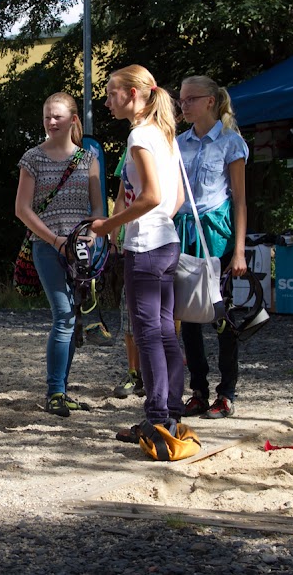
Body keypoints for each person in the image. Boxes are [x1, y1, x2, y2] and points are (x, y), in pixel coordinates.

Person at [89, 65, 184, 442]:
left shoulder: (140, 136)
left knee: (148, 334)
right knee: (164, 331)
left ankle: (158, 417)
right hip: (167, 241)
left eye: (112, 92)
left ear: (133, 95)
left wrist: (111, 226)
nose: (108, 99)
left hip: (145, 248)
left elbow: (152, 196)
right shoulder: (165, 134)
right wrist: (154, 220)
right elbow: (172, 199)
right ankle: (170, 412)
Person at [15, 92, 103, 417]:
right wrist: (55, 240)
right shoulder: (32, 159)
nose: (51, 122)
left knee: (73, 318)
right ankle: (55, 391)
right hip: (46, 247)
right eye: (47, 117)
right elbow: (21, 209)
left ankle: (61, 391)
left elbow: (97, 209)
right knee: (64, 315)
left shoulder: (88, 159)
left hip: (79, 251)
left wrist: (91, 237)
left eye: (58, 117)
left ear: (73, 120)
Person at [175, 75, 249, 420]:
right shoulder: (178, 143)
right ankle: (198, 390)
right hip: (185, 231)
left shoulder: (231, 142)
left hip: (216, 233)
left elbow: (240, 202)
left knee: (222, 314)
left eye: (190, 99)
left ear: (209, 101)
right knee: (189, 315)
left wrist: (238, 250)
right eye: (181, 99)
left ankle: (227, 392)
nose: (183, 105)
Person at [108, 150, 144, 400]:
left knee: (157, 316)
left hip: (155, 241)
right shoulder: (129, 149)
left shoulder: (167, 145)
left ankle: (151, 374)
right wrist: (113, 233)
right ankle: (133, 373)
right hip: (129, 243)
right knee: (128, 311)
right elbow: (122, 195)